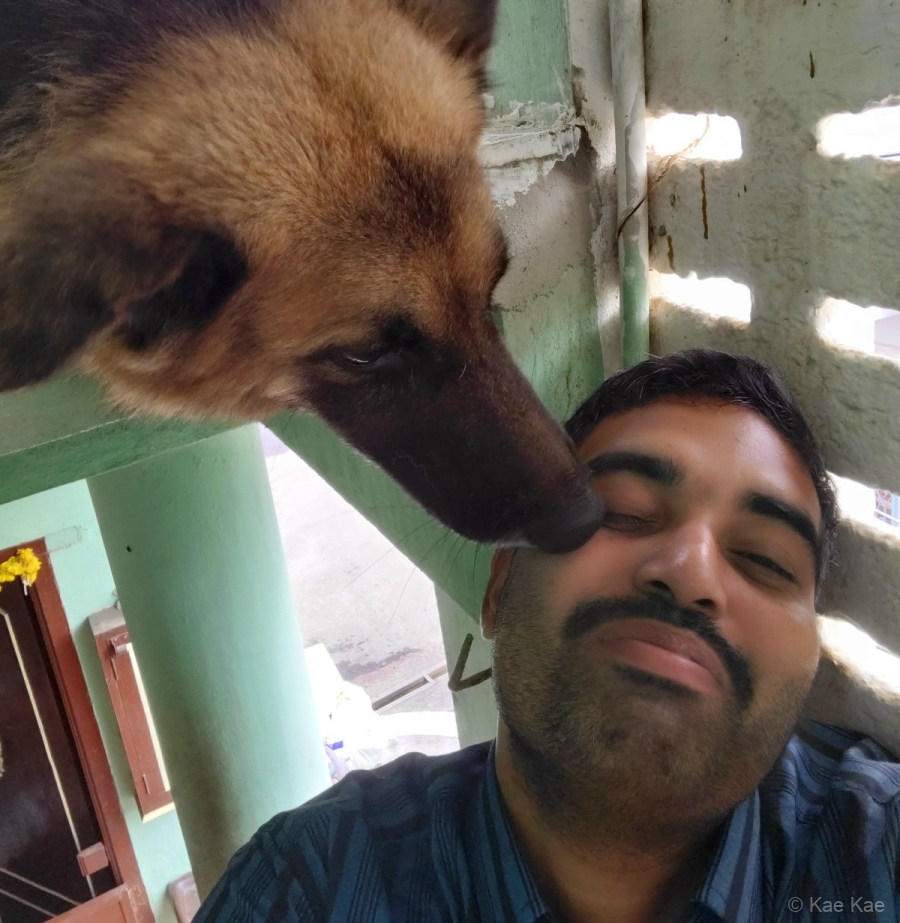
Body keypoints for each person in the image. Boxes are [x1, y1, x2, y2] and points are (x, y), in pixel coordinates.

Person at [194, 349, 900, 923]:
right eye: (621, 510)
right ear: (499, 587)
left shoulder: (877, 853)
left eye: (763, 560)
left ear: (811, 664)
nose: (689, 572)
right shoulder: (313, 884)